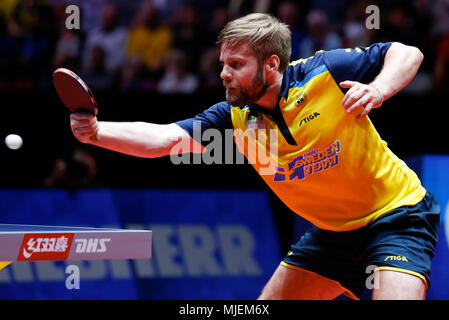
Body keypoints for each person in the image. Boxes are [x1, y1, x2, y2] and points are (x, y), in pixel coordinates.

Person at [69, 13, 440, 300]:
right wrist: (99, 133)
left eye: (236, 65)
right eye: (222, 64)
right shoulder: (232, 117)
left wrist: (378, 89)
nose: (224, 74)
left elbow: (407, 53)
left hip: (396, 217)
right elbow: (165, 138)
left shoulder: (325, 71)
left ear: (271, 65)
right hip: (332, 236)